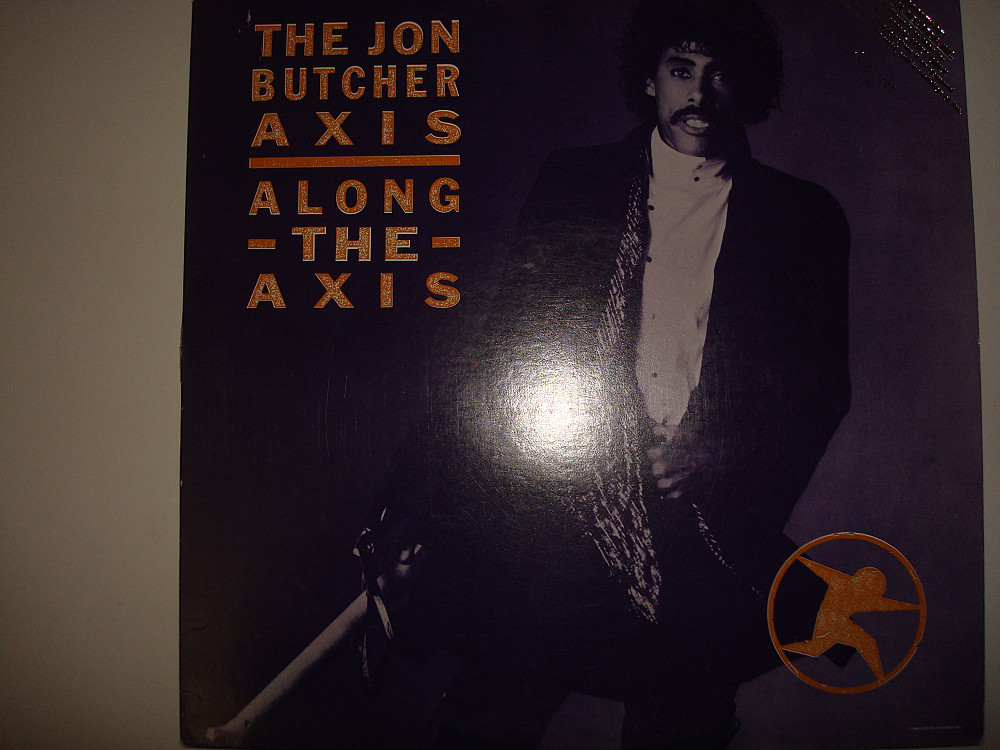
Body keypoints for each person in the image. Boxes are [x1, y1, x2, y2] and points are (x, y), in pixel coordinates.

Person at [364, 0, 851, 747]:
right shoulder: (577, 181)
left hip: (696, 522)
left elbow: (819, 388)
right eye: (681, 69)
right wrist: (414, 501)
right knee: (491, 710)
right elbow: (508, 344)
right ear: (649, 79)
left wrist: (722, 455)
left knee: (682, 723)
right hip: (559, 508)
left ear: (748, 85)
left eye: (720, 73)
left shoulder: (803, 216)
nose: (699, 92)